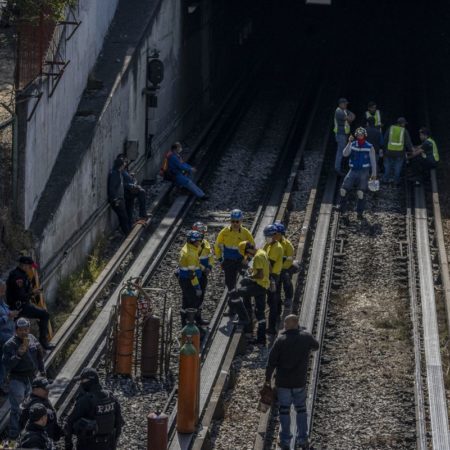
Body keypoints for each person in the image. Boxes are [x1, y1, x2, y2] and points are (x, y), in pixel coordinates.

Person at [264, 315, 319, 450]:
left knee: (284, 411)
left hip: (283, 383)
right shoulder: (305, 337)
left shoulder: (280, 340)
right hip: (299, 381)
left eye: (285, 323)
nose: (284, 325)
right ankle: (302, 440)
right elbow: (316, 346)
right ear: (297, 324)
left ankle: (285, 441)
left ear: (290, 324)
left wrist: (267, 379)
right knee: (301, 409)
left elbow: (271, 362)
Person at [3, 318, 45, 440]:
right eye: (21, 330)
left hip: (32, 377)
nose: (24, 332)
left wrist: (42, 371)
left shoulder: (32, 338)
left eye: (26, 329)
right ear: (16, 330)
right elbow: (7, 365)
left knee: (34, 404)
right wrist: (18, 354)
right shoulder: (9, 345)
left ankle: (29, 430)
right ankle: (14, 434)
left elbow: (39, 355)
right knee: (17, 408)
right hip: (17, 379)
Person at [64, 368, 123, 450]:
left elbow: (69, 422)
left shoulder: (85, 400)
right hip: (108, 444)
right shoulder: (111, 397)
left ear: (89, 381)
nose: (81, 383)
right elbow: (119, 422)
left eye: (82, 380)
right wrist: (114, 443)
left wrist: (68, 445)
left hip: (88, 445)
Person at [6, 256, 53, 350]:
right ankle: (43, 343)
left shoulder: (21, 274)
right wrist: (33, 293)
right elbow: (20, 295)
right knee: (44, 315)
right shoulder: (18, 277)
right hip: (19, 307)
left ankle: (36, 345)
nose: (31, 269)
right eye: (30, 266)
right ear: (24, 265)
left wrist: (32, 291)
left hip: (22, 305)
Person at [228, 241, 269, 344]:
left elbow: (260, 275)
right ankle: (261, 339)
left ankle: (244, 318)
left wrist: (250, 276)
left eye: (246, 254)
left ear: (249, 250)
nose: (247, 256)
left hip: (258, 285)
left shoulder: (258, 257)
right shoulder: (262, 252)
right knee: (260, 313)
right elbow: (268, 268)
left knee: (233, 293)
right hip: (264, 285)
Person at [338, 127, 377, 221]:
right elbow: (345, 154)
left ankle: (359, 213)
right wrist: (349, 142)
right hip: (353, 170)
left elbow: (373, 161)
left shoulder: (369, 146)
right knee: (343, 190)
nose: (360, 136)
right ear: (356, 135)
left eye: (361, 135)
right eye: (358, 135)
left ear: (364, 135)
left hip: (364, 171)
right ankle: (342, 209)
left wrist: (374, 173)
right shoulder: (353, 144)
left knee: (361, 193)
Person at [215, 209, 255, 292]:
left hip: (241, 259)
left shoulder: (246, 233)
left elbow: (252, 247)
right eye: (233, 221)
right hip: (228, 260)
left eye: (237, 221)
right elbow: (217, 246)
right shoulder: (224, 232)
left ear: (241, 221)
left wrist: (247, 259)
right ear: (230, 221)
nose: (235, 224)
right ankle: (233, 297)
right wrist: (220, 258)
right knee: (229, 282)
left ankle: (245, 295)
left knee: (248, 277)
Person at [177, 230, 206, 328]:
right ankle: (190, 325)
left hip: (184, 279)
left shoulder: (187, 248)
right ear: (193, 241)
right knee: (192, 302)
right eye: (198, 240)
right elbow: (192, 274)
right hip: (189, 281)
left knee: (186, 300)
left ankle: (184, 323)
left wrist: (202, 267)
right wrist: (197, 287)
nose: (200, 242)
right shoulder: (191, 254)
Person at [20, 377, 63, 442]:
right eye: (45, 388)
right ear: (35, 389)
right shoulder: (34, 405)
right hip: (39, 441)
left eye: (48, 388)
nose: (48, 391)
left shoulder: (42, 397)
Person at [116, 153, 148, 225]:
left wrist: (132, 177)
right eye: (124, 161)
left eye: (125, 161)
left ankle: (130, 226)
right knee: (141, 192)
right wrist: (133, 186)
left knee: (129, 209)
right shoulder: (119, 171)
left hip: (130, 191)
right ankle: (142, 215)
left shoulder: (125, 170)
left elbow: (128, 180)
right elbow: (122, 184)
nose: (125, 162)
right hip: (127, 192)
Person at [263, 225, 284, 335]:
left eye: (269, 236)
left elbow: (269, 264)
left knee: (272, 301)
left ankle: (271, 327)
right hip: (271, 275)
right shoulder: (269, 245)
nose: (267, 238)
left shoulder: (277, 247)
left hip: (273, 276)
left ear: (275, 236)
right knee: (273, 300)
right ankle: (277, 315)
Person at [192, 222, 213, 325]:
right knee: (193, 296)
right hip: (194, 275)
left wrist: (210, 267)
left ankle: (198, 318)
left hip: (203, 275)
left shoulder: (206, 243)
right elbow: (192, 260)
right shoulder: (192, 246)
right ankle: (190, 319)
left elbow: (210, 257)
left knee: (201, 296)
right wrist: (204, 268)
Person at [383, 117, 413, 186]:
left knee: (387, 166)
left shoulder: (391, 128)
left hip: (389, 152)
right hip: (399, 153)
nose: (405, 125)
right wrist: (411, 150)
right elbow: (408, 142)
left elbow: (385, 139)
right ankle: (395, 181)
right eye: (404, 123)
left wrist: (384, 150)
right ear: (402, 124)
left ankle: (385, 180)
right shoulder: (404, 131)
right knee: (398, 167)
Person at [0, 279, 18, 394]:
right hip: (2, 337)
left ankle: (4, 381)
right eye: (1, 291)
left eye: (4, 291)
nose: (3, 293)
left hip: (8, 333)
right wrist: (8, 315)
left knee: (3, 361)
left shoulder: (2, 301)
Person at [273, 222, 295, 310]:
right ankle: (276, 301)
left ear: (281, 234)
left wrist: (281, 268)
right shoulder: (270, 243)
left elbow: (289, 259)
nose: (274, 235)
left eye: (276, 234)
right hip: (274, 268)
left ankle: (288, 298)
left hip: (284, 268)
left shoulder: (288, 245)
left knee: (286, 280)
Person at [107, 158, 131, 235]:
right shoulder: (114, 174)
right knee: (124, 217)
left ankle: (126, 232)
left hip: (120, 199)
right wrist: (115, 199)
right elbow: (112, 188)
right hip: (117, 200)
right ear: (120, 166)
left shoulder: (118, 173)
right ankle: (127, 234)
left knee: (123, 217)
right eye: (123, 165)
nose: (124, 166)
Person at [333, 98, 355, 175]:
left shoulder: (344, 110)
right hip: (340, 134)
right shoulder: (339, 112)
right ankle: (337, 168)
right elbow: (350, 119)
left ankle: (339, 167)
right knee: (341, 151)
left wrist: (350, 118)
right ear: (340, 104)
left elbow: (353, 116)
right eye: (345, 104)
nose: (346, 105)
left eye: (346, 104)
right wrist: (350, 118)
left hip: (344, 134)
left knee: (342, 151)